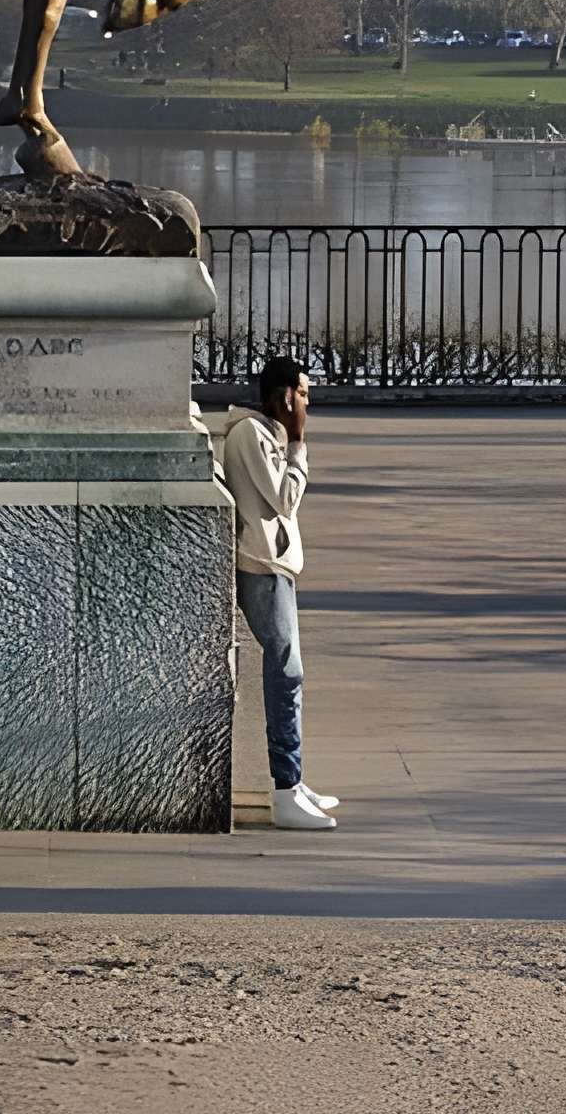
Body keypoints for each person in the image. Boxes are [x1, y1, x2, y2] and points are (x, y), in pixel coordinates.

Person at [222, 354, 337, 830]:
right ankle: (285, 789)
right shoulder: (251, 435)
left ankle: (295, 780)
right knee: (286, 674)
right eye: (304, 394)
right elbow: (285, 498)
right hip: (262, 567)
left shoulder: (266, 434)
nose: (308, 404)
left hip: (277, 566)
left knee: (291, 674)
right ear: (286, 396)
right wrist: (299, 441)